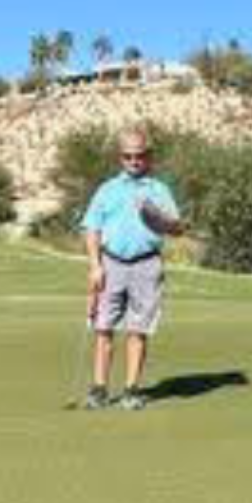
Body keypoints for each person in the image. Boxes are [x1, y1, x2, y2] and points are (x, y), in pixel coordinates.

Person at [79, 127, 185, 411]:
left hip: (147, 264)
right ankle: (99, 389)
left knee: (138, 330)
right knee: (103, 328)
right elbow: (92, 228)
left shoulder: (159, 190)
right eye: (128, 156)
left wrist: (159, 217)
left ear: (148, 156)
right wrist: (94, 265)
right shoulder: (107, 189)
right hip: (110, 263)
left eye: (139, 156)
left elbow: (177, 228)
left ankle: (131, 390)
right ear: (120, 158)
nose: (134, 161)